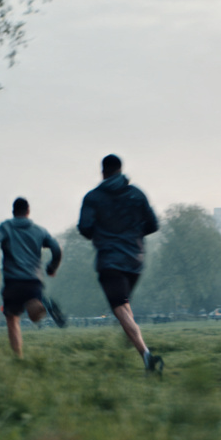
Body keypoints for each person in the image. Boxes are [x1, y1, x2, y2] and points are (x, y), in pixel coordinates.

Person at [78, 154, 163, 374]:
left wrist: (106, 232)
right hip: (135, 261)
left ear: (103, 172)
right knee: (123, 306)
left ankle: (146, 355)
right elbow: (153, 224)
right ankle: (133, 345)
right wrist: (132, 233)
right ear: (120, 170)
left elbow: (85, 228)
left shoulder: (93, 198)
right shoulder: (137, 194)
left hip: (110, 261)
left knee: (120, 309)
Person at [0, 197, 63, 358]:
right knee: (33, 311)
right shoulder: (39, 230)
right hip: (33, 281)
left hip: (12, 281)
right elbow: (56, 248)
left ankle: (18, 357)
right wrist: (52, 267)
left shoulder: (5, 227)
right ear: (28, 211)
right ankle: (38, 304)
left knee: (12, 319)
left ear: (13, 212)